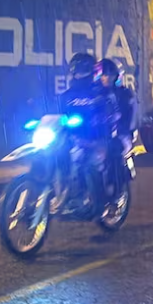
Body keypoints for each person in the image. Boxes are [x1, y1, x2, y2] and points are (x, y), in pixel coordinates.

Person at [60, 53, 119, 210]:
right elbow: (55, 112)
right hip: (74, 139)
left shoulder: (101, 92)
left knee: (90, 167)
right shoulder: (67, 95)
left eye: (82, 70)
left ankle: (99, 205)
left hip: (96, 140)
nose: (78, 74)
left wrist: (100, 120)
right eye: (76, 71)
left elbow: (112, 113)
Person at [97, 59, 138, 156]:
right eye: (104, 75)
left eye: (110, 75)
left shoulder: (124, 93)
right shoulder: (95, 94)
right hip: (98, 135)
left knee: (122, 152)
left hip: (120, 134)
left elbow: (131, 114)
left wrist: (127, 131)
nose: (107, 78)